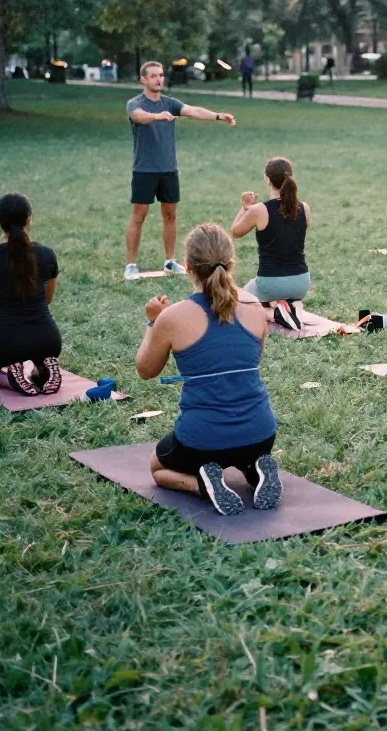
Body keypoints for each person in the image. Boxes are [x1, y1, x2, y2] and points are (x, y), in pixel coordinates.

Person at [136, 223, 282, 517]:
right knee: (246, 451)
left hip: (202, 440)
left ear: (188, 266)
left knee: (157, 467)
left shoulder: (173, 317)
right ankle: (256, 470)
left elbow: (145, 370)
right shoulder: (255, 309)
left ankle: (203, 485)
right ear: (230, 264)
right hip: (262, 433)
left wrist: (154, 322)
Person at [124, 60, 236, 281]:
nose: (159, 79)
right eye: (154, 75)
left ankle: (169, 261)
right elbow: (138, 116)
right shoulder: (135, 103)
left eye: (161, 75)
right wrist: (157, 116)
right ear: (143, 80)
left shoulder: (170, 102)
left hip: (168, 170)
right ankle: (131, 265)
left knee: (170, 216)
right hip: (144, 170)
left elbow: (193, 110)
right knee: (139, 216)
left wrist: (217, 115)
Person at [0, 193, 63, 395]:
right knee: (39, 356)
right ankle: (43, 368)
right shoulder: (47, 254)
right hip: (48, 340)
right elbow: (47, 299)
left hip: (5, 343)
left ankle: (11, 379)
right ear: (29, 219)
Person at [231, 157, 311, 332]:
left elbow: (235, 232)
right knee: (273, 295)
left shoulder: (259, 210)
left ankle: (274, 314)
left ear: (267, 179)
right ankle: (292, 306)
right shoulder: (304, 208)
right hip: (301, 282)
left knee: (236, 303)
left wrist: (245, 207)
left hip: (270, 283)